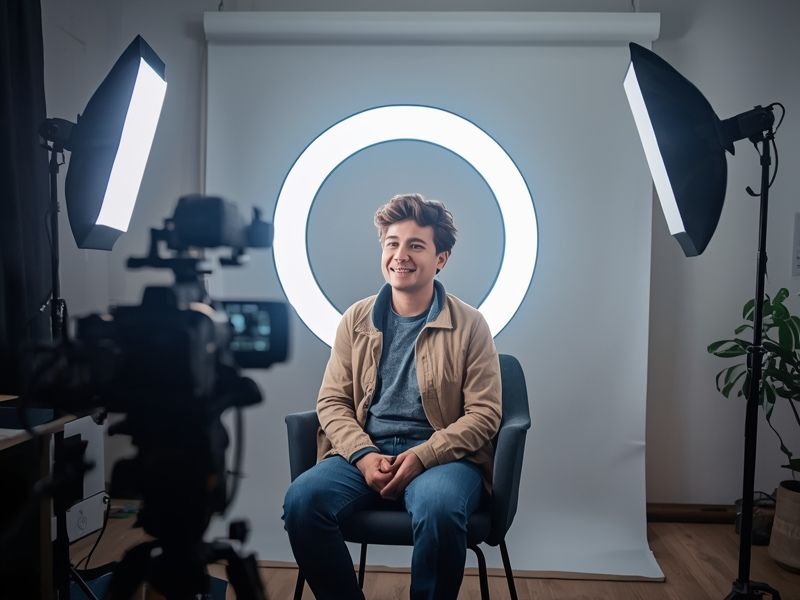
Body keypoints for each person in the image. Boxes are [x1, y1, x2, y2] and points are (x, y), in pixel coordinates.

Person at [283, 193, 502, 600]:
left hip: (443, 458)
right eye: (392, 243)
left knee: (439, 508)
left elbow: (484, 414)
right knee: (302, 501)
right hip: (365, 452)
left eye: (416, 245)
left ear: (441, 258)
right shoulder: (355, 319)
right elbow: (332, 402)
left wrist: (424, 455)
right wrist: (363, 455)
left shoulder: (471, 324)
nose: (400, 255)